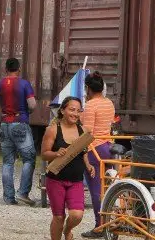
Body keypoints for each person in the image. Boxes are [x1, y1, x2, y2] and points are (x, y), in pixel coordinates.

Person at [41, 97, 93, 240]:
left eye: (78, 111)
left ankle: (67, 230)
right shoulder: (52, 130)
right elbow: (44, 154)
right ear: (63, 110)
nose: (75, 114)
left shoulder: (83, 130)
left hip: (76, 181)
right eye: (72, 109)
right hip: (55, 180)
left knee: (77, 215)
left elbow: (83, 151)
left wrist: (88, 165)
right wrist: (56, 153)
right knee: (58, 217)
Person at [0, 58, 37, 206]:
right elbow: (32, 104)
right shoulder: (24, 83)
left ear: (5, 69)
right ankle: (23, 193)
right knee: (29, 158)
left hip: (4, 124)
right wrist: (27, 111)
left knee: (7, 162)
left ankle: (8, 197)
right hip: (20, 123)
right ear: (19, 69)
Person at [80, 71, 116, 238]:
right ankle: (111, 222)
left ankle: (99, 225)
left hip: (95, 148)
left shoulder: (90, 105)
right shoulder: (109, 103)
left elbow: (88, 133)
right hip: (109, 146)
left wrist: (83, 153)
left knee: (96, 190)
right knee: (108, 188)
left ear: (88, 88)